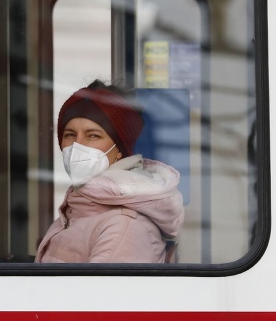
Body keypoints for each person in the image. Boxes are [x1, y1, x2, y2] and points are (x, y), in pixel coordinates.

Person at [36, 80, 184, 263]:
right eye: (69, 134)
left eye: (93, 135)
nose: (77, 145)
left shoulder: (125, 226)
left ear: (120, 148)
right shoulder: (79, 207)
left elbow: (99, 291)